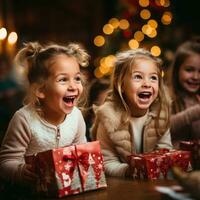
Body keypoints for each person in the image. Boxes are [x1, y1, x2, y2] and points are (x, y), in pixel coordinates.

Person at [0, 42, 89, 188]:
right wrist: (20, 171)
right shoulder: (24, 119)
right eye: (63, 79)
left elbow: (80, 152)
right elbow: (6, 162)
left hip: (64, 189)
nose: (73, 86)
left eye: (77, 78)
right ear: (41, 90)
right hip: (30, 192)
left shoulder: (76, 117)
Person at [91, 48, 172, 177]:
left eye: (153, 78)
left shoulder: (161, 115)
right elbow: (106, 162)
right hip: (123, 186)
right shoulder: (108, 118)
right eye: (138, 77)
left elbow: (165, 151)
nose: (147, 84)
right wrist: (130, 171)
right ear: (121, 84)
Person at [168, 38, 200, 147]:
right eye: (189, 70)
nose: (196, 77)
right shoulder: (167, 97)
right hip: (174, 161)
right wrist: (195, 112)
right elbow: (161, 128)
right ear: (177, 71)